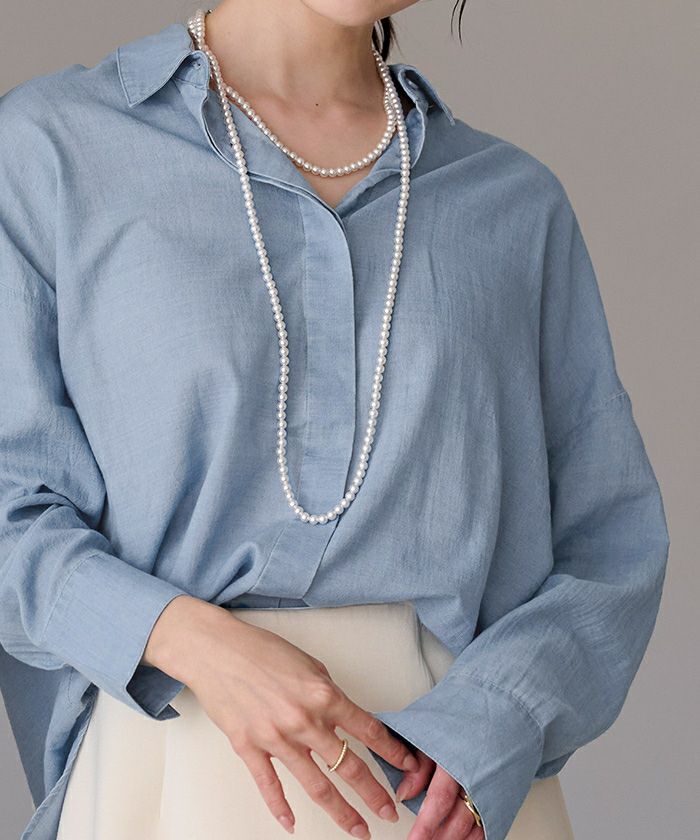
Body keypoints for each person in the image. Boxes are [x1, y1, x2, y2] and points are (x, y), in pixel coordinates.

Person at [0, 2, 670, 840]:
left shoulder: (514, 204)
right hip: (179, 763)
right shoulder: (51, 149)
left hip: (444, 790)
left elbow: (612, 544)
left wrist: (497, 718)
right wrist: (189, 641)